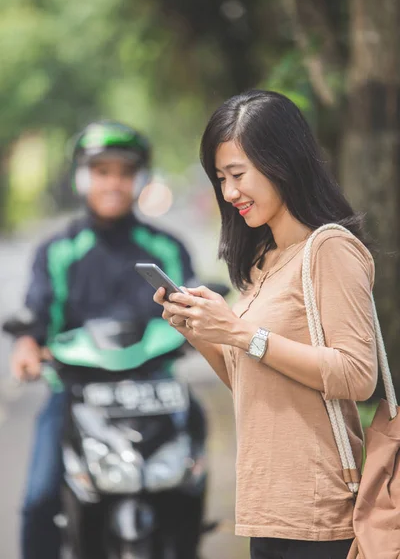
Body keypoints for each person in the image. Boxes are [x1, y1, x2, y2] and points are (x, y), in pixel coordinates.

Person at [154, 90, 378, 559]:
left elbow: (359, 376)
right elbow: (252, 383)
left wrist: (238, 332)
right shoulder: (263, 260)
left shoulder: (329, 250)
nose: (229, 192)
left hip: (319, 516)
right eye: (221, 179)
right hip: (268, 508)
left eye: (238, 174)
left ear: (282, 163)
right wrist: (199, 331)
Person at [11, 120, 205, 559]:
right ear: (82, 176)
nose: (113, 182)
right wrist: (26, 344)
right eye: (102, 171)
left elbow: (196, 303)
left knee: (193, 477)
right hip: (76, 394)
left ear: (139, 178)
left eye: (124, 171)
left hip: (158, 389)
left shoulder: (167, 247)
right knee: (39, 498)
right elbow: (35, 313)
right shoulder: (57, 250)